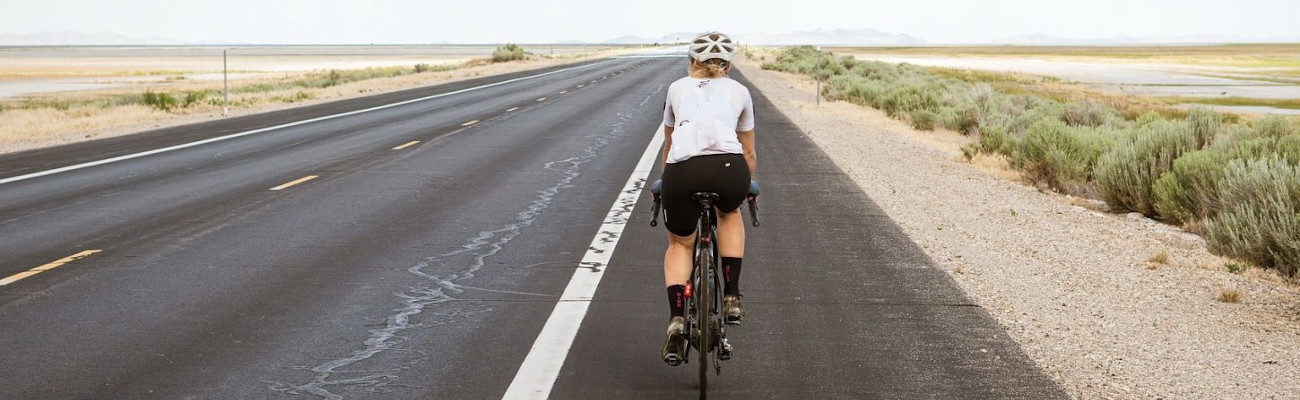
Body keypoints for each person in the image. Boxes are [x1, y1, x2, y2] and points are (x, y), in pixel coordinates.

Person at [657, 31, 757, 366]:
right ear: (728, 64)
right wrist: (747, 185)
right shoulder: (740, 91)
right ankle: (730, 297)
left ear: (692, 61)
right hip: (729, 167)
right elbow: (748, 151)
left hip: (682, 170)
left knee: (680, 245)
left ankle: (676, 318)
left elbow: (669, 146)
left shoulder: (677, 88)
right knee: (729, 214)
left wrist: (664, 182)